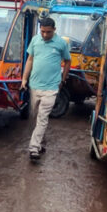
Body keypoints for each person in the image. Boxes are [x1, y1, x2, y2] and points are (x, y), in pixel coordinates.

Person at [21, 17, 71, 161]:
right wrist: (24, 78)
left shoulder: (61, 43)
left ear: (54, 30)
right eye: (42, 32)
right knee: (35, 117)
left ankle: (34, 148)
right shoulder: (35, 41)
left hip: (51, 88)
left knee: (42, 117)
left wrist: (63, 79)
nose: (44, 35)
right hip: (35, 86)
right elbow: (30, 59)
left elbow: (68, 61)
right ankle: (41, 142)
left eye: (48, 32)